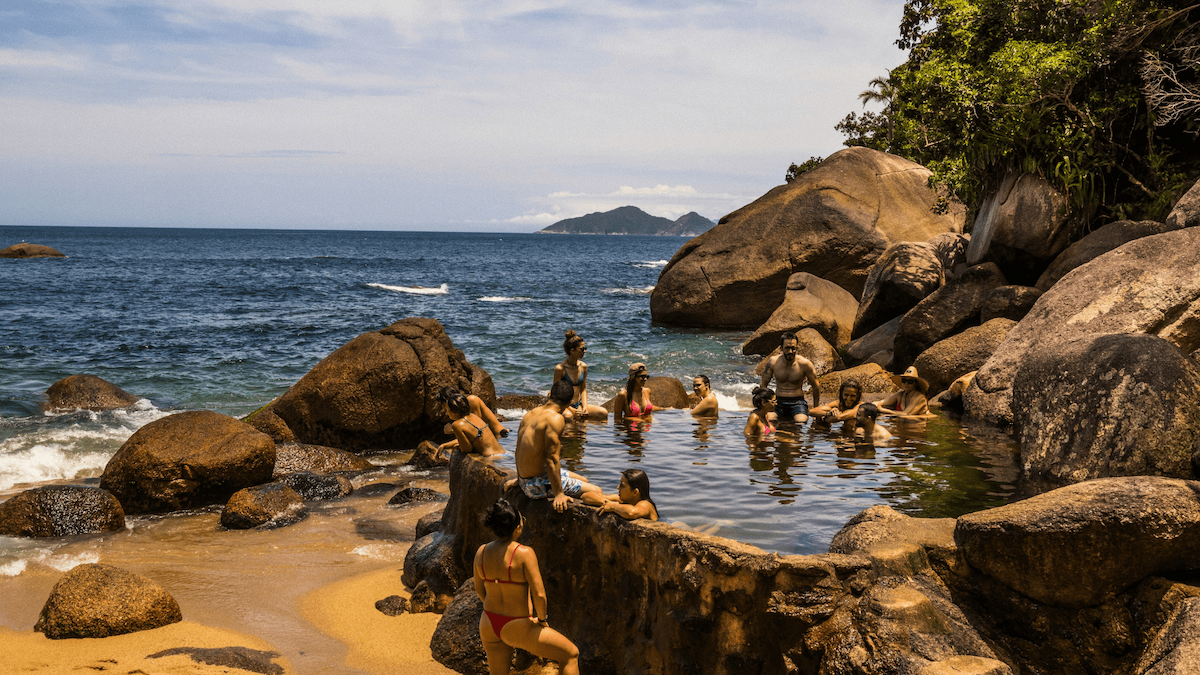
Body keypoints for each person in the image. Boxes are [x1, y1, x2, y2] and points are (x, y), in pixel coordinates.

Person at [473, 498, 580, 675]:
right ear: (517, 528)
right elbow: (539, 595)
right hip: (517, 625)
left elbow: (479, 590)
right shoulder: (523, 553)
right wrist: (542, 620)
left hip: (488, 622)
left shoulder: (481, 551)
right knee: (570, 654)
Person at [506, 378, 601, 512]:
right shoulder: (555, 419)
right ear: (569, 403)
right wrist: (559, 494)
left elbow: (519, 449)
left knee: (583, 479)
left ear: (549, 395)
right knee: (597, 490)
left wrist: (519, 478)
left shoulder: (530, 414)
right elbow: (552, 459)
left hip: (525, 480)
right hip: (535, 485)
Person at [758, 332, 820, 424]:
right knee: (769, 420)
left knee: (801, 421)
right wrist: (762, 407)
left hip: (797, 402)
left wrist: (816, 409)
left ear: (797, 348)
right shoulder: (773, 362)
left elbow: (816, 386)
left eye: (793, 348)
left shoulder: (805, 364)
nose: (790, 351)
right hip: (778, 401)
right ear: (781, 348)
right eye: (787, 348)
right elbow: (763, 384)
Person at [554, 330, 608, 422]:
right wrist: (571, 410)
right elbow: (555, 395)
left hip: (578, 404)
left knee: (603, 413)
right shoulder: (560, 368)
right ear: (572, 351)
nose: (585, 351)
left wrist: (585, 407)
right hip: (564, 406)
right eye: (582, 349)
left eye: (585, 348)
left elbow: (583, 389)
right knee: (568, 417)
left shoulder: (583, 366)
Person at [438, 389, 504, 457]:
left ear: (453, 410)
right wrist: (444, 445)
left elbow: (467, 449)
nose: (446, 413)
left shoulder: (457, 425)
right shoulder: (473, 416)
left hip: (493, 458)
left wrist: (455, 445)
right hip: (504, 454)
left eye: (447, 409)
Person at [581, 468, 659, 521]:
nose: (618, 487)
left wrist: (612, 506)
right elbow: (585, 496)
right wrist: (605, 503)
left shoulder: (646, 505)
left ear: (635, 492)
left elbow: (632, 512)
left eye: (622, 486)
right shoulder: (622, 499)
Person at [438, 386, 509, 442]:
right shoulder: (460, 410)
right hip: (493, 438)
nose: (444, 410)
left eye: (443, 405)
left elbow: (477, 430)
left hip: (503, 437)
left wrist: (453, 429)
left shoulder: (472, 400)